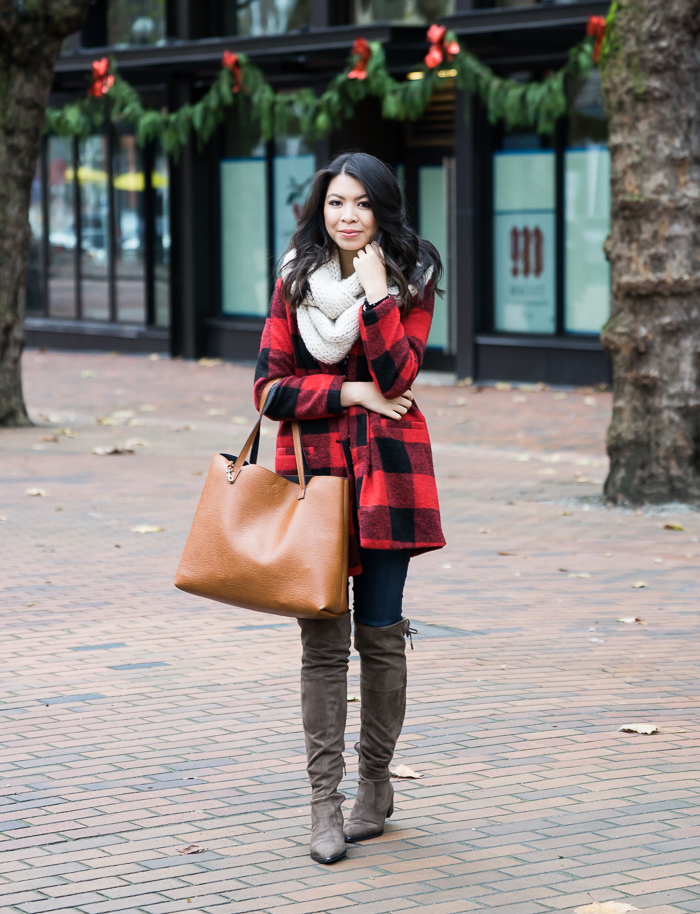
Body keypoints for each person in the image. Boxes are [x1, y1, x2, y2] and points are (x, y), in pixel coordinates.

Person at [253, 151, 445, 864]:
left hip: (389, 479)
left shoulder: (412, 277)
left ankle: (375, 789)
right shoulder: (294, 281)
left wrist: (377, 299)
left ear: (381, 210)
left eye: (362, 203)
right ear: (320, 209)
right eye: (336, 202)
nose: (348, 215)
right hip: (317, 477)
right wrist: (349, 393)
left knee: (382, 634)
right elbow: (269, 392)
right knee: (323, 641)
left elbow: (400, 372)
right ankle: (321, 807)